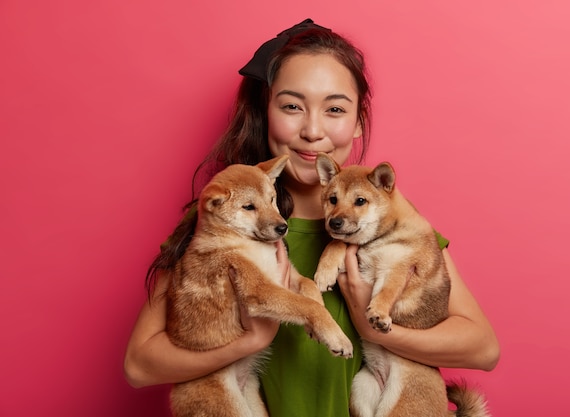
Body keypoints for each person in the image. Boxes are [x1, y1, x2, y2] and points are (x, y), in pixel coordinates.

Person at [124, 18, 500, 416]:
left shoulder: (394, 229)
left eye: (335, 109)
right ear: (265, 112)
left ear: (357, 123)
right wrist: (249, 342)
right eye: (291, 107)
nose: (312, 130)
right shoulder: (217, 224)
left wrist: (375, 327)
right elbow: (139, 365)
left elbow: (482, 348)